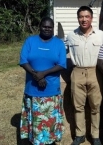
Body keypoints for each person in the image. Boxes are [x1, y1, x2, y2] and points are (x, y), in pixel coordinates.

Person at [19, 17, 67, 145]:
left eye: (50, 27)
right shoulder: (30, 41)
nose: (47, 29)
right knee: (35, 122)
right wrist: (36, 75)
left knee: (49, 123)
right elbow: (23, 61)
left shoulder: (58, 43)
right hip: (32, 90)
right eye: (44, 26)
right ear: (39, 26)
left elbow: (62, 64)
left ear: (53, 29)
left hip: (51, 91)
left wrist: (43, 74)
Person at [67, 6, 103, 145]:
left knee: (96, 106)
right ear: (78, 18)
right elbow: (63, 51)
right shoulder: (71, 35)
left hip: (95, 72)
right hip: (77, 72)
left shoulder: (100, 34)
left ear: (91, 18)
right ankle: (80, 134)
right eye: (81, 17)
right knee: (78, 106)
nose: (84, 19)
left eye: (86, 16)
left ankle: (95, 136)